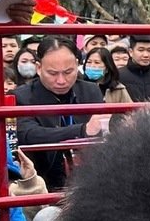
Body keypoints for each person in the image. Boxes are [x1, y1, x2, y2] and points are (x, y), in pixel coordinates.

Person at [17, 37, 107, 189]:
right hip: (44, 181)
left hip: (90, 180)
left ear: (77, 65)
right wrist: (82, 130)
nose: (61, 80)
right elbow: (29, 135)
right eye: (52, 73)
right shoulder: (22, 96)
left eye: (68, 72)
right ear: (38, 68)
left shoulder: (90, 91)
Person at [111, 34, 150, 107]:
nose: (146, 55)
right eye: (141, 50)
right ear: (131, 52)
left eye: (149, 50)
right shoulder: (118, 75)